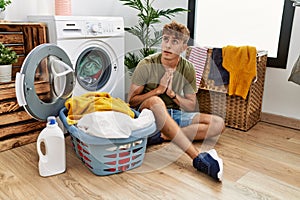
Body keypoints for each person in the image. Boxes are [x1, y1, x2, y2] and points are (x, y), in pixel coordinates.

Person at [128, 21, 225, 181]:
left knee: (218, 124)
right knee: (155, 101)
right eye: (165, 39)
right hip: (148, 114)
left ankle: (164, 136)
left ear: (183, 48)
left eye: (175, 41)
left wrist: (172, 94)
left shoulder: (187, 68)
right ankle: (198, 159)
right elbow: (132, 102)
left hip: (173, 114)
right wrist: (158, 90)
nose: (168, 45)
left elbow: (191, 105)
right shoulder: (146, 65)